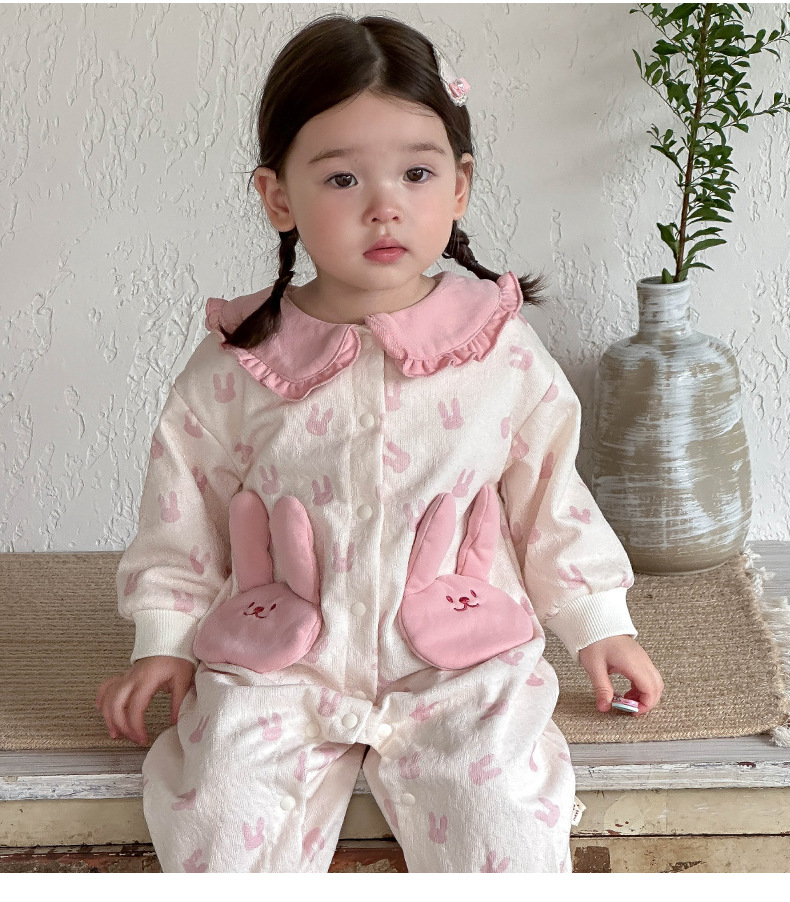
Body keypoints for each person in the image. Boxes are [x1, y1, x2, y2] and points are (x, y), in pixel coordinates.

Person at [96, 13, 663, 873]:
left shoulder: (498, 348)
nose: (384, 204)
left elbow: (551, 494)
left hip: (458, 660)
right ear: (277, 197)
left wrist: (597, 624)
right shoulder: (240, 360)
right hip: (282, 662)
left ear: (460, 186)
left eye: (417, 172)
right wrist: (164, 638)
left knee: (502, 820)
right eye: (341, 178)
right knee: (218, 808)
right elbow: (183, 510)